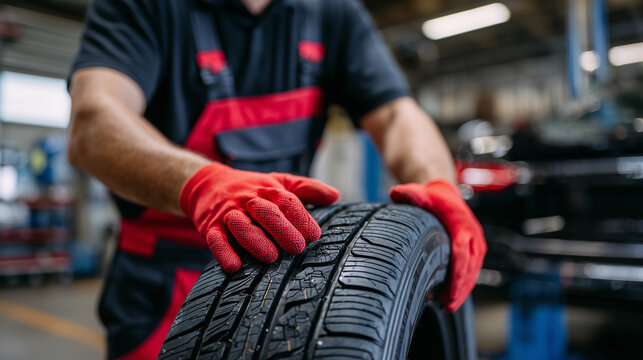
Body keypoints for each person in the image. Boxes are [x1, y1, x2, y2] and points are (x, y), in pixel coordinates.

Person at [66, 0, 486, 358]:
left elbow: (396, 114)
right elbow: (94, 123)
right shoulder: (144, 6)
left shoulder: (331, 11)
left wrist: (437, 184)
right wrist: (200, 183)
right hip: (162, 284)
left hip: (280, 269)